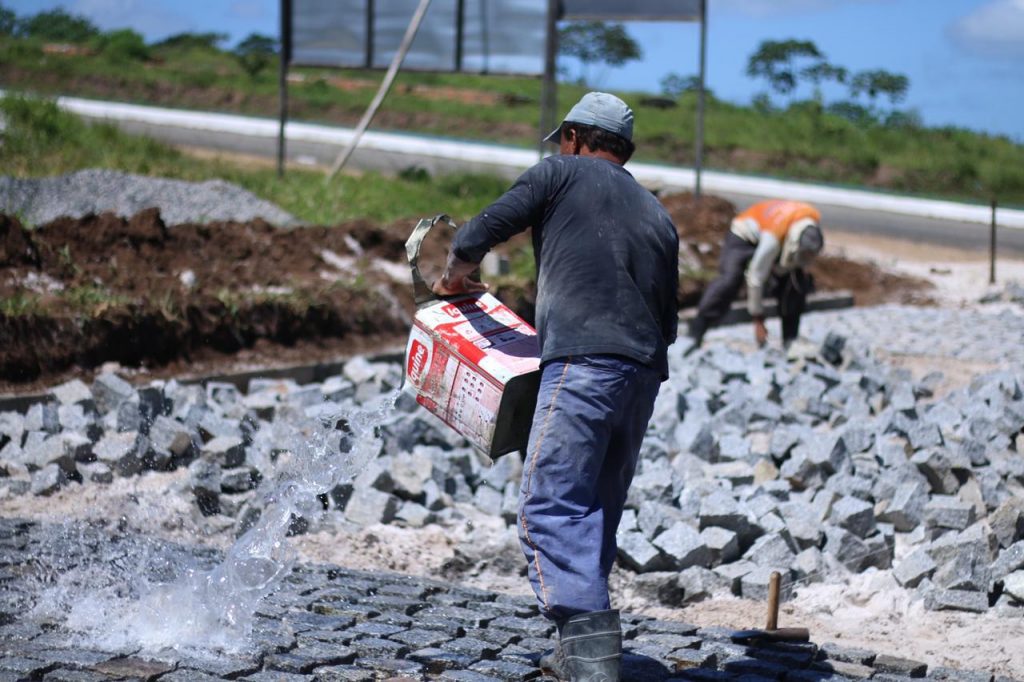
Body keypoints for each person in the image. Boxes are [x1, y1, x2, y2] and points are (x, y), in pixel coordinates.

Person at [432, 92, 679, 682]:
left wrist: (455, 275)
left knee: (552, 503)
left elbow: (484, 229)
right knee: (596, 504)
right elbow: (669, 318)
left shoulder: (559, 173)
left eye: (563, 140)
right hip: (642, 374)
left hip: (582, 361)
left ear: (573, 137)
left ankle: (590, 658)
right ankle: (579, 651)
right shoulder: (657, 212)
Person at [687, 199, 824, 348]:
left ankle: (790, 340)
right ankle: (696, 331)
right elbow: (755, 277)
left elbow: (797, 261)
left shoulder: (810, 223)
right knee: (729, 280)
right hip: (744, 236)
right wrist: (758, 319)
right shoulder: (773, 238)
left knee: (794, 284)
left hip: (779, 238)